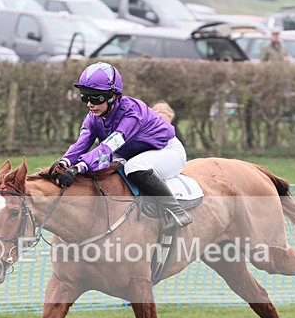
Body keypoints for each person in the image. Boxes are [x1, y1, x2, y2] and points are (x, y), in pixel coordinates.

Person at [49, 62, 192, 230]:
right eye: (85, 97)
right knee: (101, 172)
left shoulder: (132, 113)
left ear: (114, 96)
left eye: (96, 98)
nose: (90, 104)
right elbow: (81, 143)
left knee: (133, 167)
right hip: (134, 152)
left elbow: (109, 147)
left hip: (166, 151)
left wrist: (78, 167)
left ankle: (176, 211)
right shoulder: (93, 117)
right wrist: (65, 162)